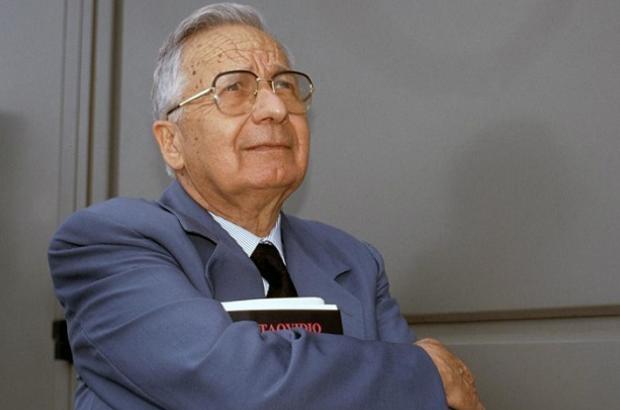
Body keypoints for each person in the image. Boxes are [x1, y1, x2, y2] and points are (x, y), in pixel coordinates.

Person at [49, 3, 484, 409]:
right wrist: (426, 370)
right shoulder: (105, 245)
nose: (275, 108)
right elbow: (237, 384)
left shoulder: (353, 261)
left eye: (284, 86)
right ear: (172, 142)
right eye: (234, 88)